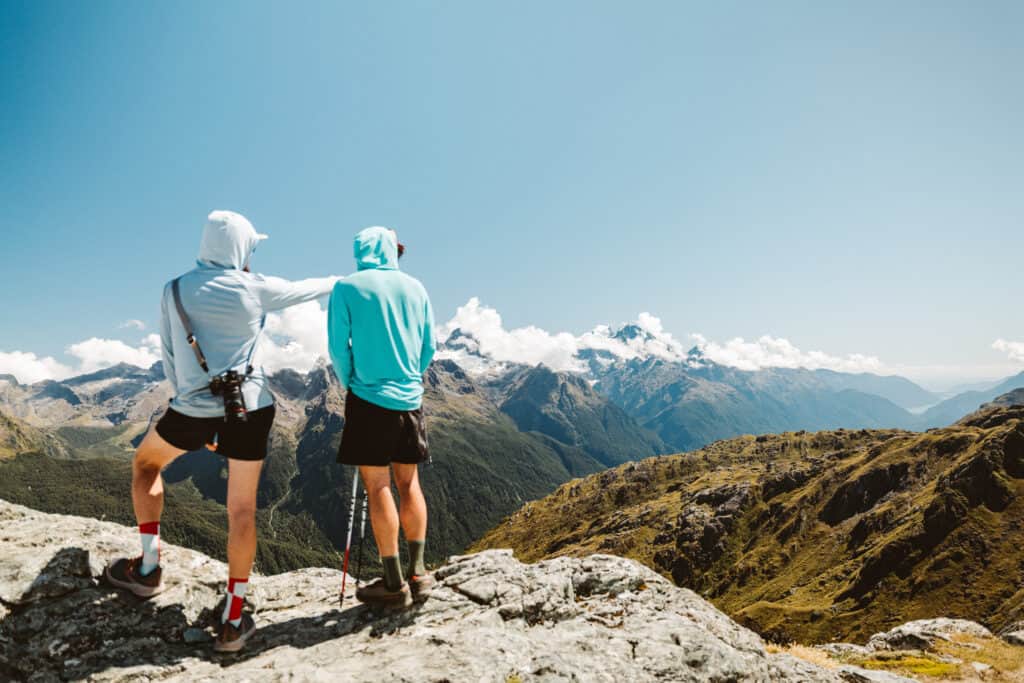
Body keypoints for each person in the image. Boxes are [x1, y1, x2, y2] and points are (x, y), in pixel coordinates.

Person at [104, 210, 341, 653]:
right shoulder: (255, 288)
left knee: (146, 464)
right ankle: (233, 618)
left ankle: (148, 568)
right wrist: (361, 274)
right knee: (243, 510)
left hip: (191, 408)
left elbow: (170, 355)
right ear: (239, 248)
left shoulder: (173, 290)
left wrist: (189, 406)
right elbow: (316, 286)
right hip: (249, 409)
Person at [328, 226, 435, 607]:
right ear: (391, 249)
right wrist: (410, 377)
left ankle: (392, 584)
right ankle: (419, 573)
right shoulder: (416, 288)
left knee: (379, 487)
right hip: (410, 399)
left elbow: (338, 347)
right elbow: (429, 346)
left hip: (368, 399)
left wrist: (350, 381)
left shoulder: (346, 288)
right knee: (410, 484)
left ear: (361, 251)